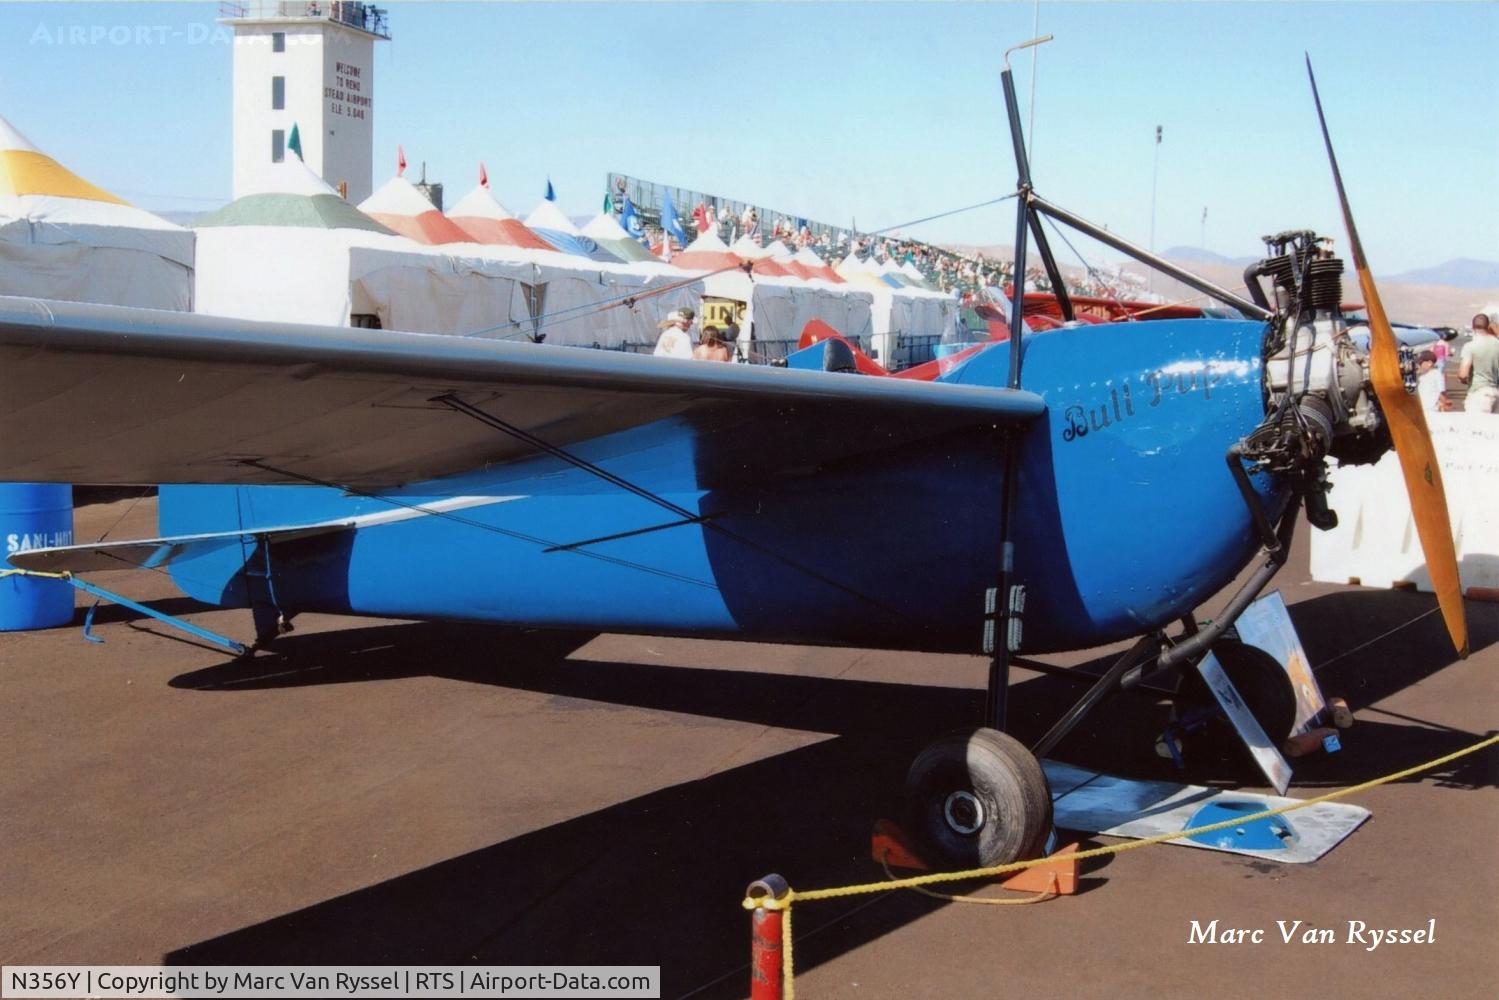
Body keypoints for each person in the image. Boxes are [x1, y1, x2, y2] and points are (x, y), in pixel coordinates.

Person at [1457, 312, 1499, 413]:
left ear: (1473, 327)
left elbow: (1463, 374)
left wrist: (1462, 379)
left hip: (1478, 393)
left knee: (1475, 427)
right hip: (1494, 391)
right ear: (1488, 326)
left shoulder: (1470, 346)